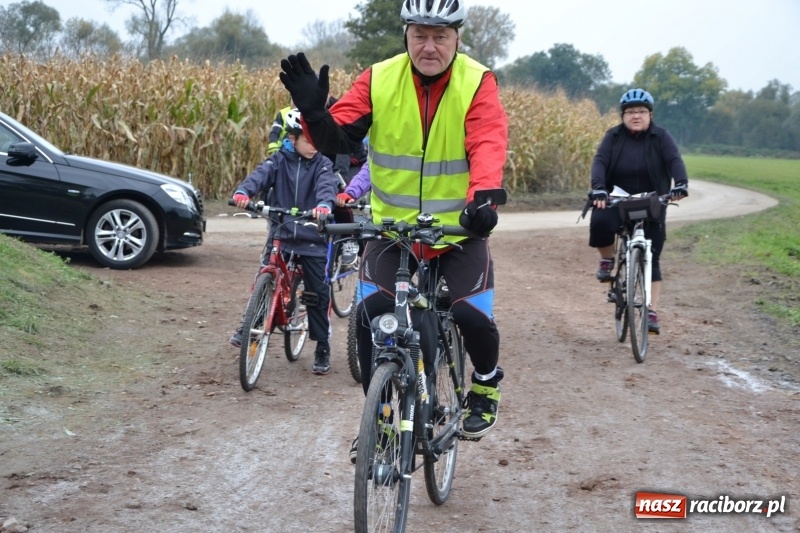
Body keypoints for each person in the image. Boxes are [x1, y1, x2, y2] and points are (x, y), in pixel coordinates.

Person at [278, 0, 509, 459]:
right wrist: (313, 114)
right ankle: (383, 417)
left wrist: (483, 195)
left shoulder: (476, 81)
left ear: (457, 38)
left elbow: (487, 138)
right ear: (405, 35)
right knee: (370, 315)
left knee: (470, 314)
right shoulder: (379, 78)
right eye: (420, 35)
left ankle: (484, 382)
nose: (429, 46)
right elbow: (339, 140)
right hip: (392, 231)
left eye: (440, 36)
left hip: (458, 233)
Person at [229, 109, 339, 375]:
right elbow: (259, 176)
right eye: (307, 141)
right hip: (282, 231)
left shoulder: (323, 164)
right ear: (292, 138)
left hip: (312, 236)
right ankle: (251, 326)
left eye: (316, 141)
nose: (313, 147)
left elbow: (327, 187)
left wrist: (324, 205)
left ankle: (322, 344)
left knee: (317, 293)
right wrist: (244, 192)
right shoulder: (278, 160)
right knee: (264, 275)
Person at [588, 88, 689, 334]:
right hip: (617, 197)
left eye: (641, 111)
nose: (636, 116)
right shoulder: (613, 136)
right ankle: (607, 259)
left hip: (653, 200)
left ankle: (651, 311)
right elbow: (600, 161)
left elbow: (674, 160)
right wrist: (599, 189)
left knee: (652, 255)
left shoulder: (661, 137)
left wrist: (681, 184)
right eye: (630, 112)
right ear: (623, 115)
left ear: (650, 115)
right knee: (600, 222)